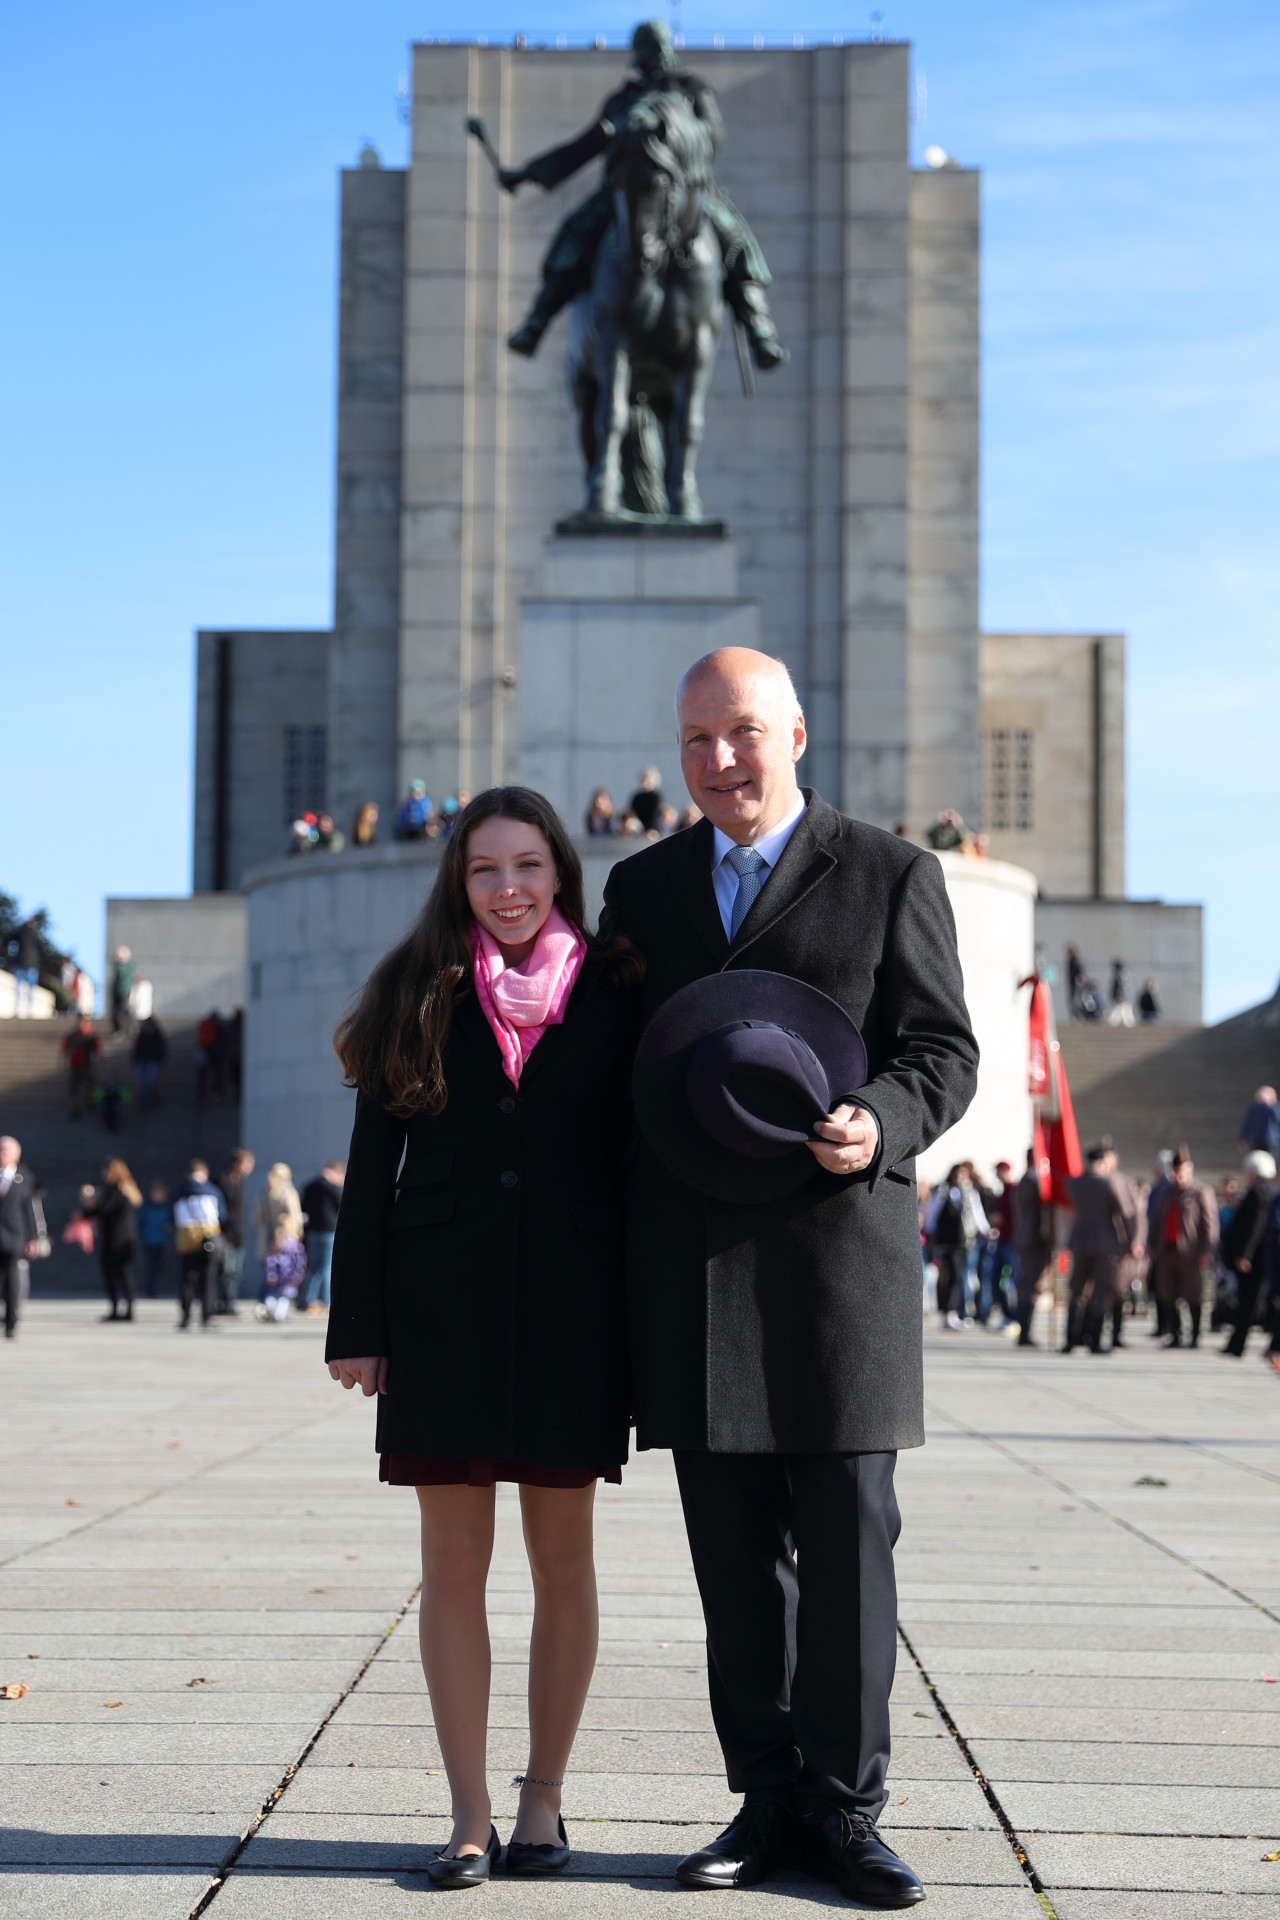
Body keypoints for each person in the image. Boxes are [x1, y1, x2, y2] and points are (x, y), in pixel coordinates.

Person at [600, 647, 977, 1906]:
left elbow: (942, 1049)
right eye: (697, 737)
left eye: (742, 734)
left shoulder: (887, 872)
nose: (718, 762)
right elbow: (610, 1070)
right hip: (695, 1271)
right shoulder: (641, 886)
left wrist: (879, 1117)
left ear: (797, 734)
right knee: (730, 1557)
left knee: (848, 1544)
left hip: (837, 1266)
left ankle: (846, 1809)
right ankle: (764, 1799)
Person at [324, 786, 640, 1886]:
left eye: (526, 867)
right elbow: (371, 1173)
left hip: (574, 1308)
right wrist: (356, 1325)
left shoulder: (615, 989)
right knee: (451, 1562)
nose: (506, 889)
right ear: (457, 883)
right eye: (483, 871)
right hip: (441, 1310)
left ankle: (541, 1803)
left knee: (565, 1559)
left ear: (560, 872)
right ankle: (466, 1815)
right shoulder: (414, 990)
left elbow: (635, 1165)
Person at [500, 21, 786, 370]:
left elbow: (713, 137)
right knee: (574, 232)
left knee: (735, 239)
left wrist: (677, 130)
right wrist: (527, 173)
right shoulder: (621, 100)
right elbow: (583, 148)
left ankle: (759, 327)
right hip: (622, 190)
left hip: (686, 190)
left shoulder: (691, 90)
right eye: (648, 47)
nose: (655, 54)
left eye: (659, 46)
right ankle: (537, 321)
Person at [1063, 1146, 1136, 1353]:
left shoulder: (1074, 1182)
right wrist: (1130, 1242)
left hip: (1079, 1240)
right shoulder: (1109, 1182)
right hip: (1105, 1243)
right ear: (1103, 1162)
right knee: (1100, 1293)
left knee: (1076, 1292)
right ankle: (1094, 1340)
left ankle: (1070, 1339)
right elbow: (1125, 1213)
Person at [1148, 1147, 1218, 1349]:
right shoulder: (1165, 1192)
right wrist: (1152, 1246)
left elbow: (1210, 1224)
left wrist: (1207, 1251)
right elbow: (1155, 1220)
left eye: (1184, 1170)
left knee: (1194, 1294)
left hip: (1191, 1253)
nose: (1180, 1175)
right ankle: (1175, 1333)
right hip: (1167, 1250)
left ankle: (1195, 1334)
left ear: (1190, 1169)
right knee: (1167, 1293)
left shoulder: (1200, 1192)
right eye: (1177, 1170)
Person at [1221, 1152, 1277, 1357]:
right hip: (1263, 1257)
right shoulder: (1270, 1190)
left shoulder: (1259, 1192)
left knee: (1249, 1302)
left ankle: (1238, 1345)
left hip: (1255, 1259)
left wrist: (1245, 1254)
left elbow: (1255, 1226)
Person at [79, 1159, 142, 1322]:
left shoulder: (114, 1189)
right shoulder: (127, 1189)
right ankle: (127, 1309)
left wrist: (85, 1211)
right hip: (125, 1237)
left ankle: (119, 1309)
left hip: (114, 1239)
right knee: (124, 1274)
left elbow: (103, 1209)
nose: (103, 1174)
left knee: (113, 1274)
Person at [172, 1158, 226, 1330]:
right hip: (208, 1238)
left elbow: (170, 1216)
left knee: (187, 1279)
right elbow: (223, 1215)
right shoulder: (212, 1191)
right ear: (205, 1174)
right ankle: (207, 1316)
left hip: (186, 1238)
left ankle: (186, 1316)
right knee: (208, 1280)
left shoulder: (178, 1193)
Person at [0, 1136, 42, 1339]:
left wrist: (33, 1238)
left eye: (6, 1150)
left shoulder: (25, 1177)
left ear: (16, 1155)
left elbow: (30, 1210)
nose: (2, 1153)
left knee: (12, 1280)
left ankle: (10, 1322)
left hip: (15, 1236)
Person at [253, 1163, 306, 1321]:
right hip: (286, 1239)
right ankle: (277, 1311)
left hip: (267, 1239)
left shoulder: (264, 1194)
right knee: (287, 1278)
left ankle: (267, 1304)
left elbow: (256, 1219)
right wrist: (297, 1234)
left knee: (271, 1275)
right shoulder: (288, 1193)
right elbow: (295, 1217)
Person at [1013, 1148, 1054, 1347]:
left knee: (1032, 1286)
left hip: (1033, 1240)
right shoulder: (1030, 1181)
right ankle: (1024, 1333)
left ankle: (1026, 1332)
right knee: (1029, 1286)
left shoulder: (1030, 1180)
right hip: (1031, 1240)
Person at [300, 1160, 344, 1315]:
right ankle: (325, 1301)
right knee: (325, 1268)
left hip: (312, 1231)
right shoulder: (332, 1188)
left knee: (314, 1267)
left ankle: (309, 1299)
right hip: (328, 1231)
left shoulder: (310, 1186)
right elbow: (341, 1204)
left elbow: (303, 1207)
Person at [214, 1148, 254, 1314]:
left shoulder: (240, 1182)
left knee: (236, 1270)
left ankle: (229, 1301)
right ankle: (223, 1302)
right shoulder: (222, 1179)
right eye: (248, 1163)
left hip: (238, 1231)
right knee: (226, 1269)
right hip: (225, 1232)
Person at [979, 1160, 1018, 1328]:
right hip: (1001, 1241)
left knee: (1011, 1281)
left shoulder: (1014, 1191)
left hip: (1012, 1242)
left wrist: (1003, 1221)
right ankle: (1005, 1313)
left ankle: (1014, 1315)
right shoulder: (1001, 1193)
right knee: (994, 1279)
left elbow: (1018, 1217)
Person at [137, 1181, 172, 1298]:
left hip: (163, 1241)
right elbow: (139, 1222)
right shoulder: (146, 1208)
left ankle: (156, 1286)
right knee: (150, 1266)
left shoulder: (167, 1208)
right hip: (149, 1240)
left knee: (160, 1266)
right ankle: (150, 1289)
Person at [61, 1016, 100, 1119]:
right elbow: (65, 1048)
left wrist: (97, 1058)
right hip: (74, 1065)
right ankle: (75, 1109)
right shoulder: (72, 1036)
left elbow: (96, 1049)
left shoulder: (90, 1036)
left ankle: (89, 1102)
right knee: (74, 1089)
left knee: (89, 1085)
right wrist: (64, 1060)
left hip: (86, 1065)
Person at [132, 1015, 167, 1109]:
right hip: (142, 1059)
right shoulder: (142, 1034)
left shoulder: (156, 1034)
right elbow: (137, 1048)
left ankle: (153, 1100)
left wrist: (160, 1057)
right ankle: (144, 1102)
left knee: (151, 1081)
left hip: (152, 1059)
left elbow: (161, 1047)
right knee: (142, 1082)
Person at [1239, 1087, 1280, 1157]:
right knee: (1258, 1159)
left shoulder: (1276, 1108)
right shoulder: (1255, 1109)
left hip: (1272, 1140)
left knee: (1272, 1160)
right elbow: (1248, 1124)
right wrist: (1244, 1137)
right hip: (1257, 1139)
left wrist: (1270, 1106)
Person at [13, 919, 41, 1015]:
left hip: (21, 962)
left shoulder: (21, 932)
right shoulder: (35, 934)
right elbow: (41, 946)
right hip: (31, 964)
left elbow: (12, 936)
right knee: (31, 989)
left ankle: (18, 1008)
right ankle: (30, 1009)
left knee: (19, 987)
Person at [194, 1010, 222, 1103]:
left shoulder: (205, 1025)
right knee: (214, 1074)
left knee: (204, 1075)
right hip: (213, 1052)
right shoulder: (215, 1026)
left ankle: (201, 1095)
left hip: (204, 1051)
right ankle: (213, 1093)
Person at [627, 767, 663, 835]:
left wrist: (649, 829)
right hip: (638, 828)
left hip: (651, 829)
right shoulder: (637, 796)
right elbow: (631, 812)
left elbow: (654, 814)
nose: (644, 782)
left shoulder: (655, 796)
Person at [110, 947, 135, 1034]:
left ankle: (131, 1024)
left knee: (123, 1008)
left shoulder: (127, 966)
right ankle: (117, 1029)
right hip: (116, 991)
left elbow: (123, 974)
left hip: (124, 990)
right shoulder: (117, 966)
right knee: (115, 1011)